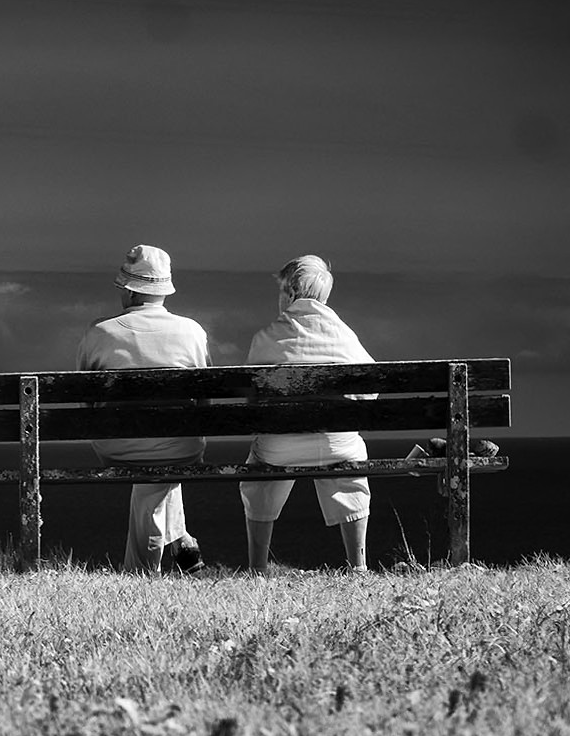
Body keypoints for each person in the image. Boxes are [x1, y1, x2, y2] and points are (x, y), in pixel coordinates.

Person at [76, 245, 211, 574]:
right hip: (182, 446)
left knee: (151, 457)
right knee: (165, 452)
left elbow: (85, 402)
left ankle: (143, 571)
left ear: (129, 290)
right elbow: (205, 399)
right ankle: (180, 544)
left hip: (117, 445)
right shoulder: (193, 332)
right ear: (163, 291)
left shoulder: (100, 333)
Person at [240, 255, 375, 573]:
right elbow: (369, 392)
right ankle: (358, 565)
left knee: (259, 468)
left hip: (279, 447)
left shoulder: (266, 338)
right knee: (350, 459)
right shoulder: (345, 337)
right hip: (335, 444)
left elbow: (251, 401)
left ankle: (257, 566)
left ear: (288, 293)